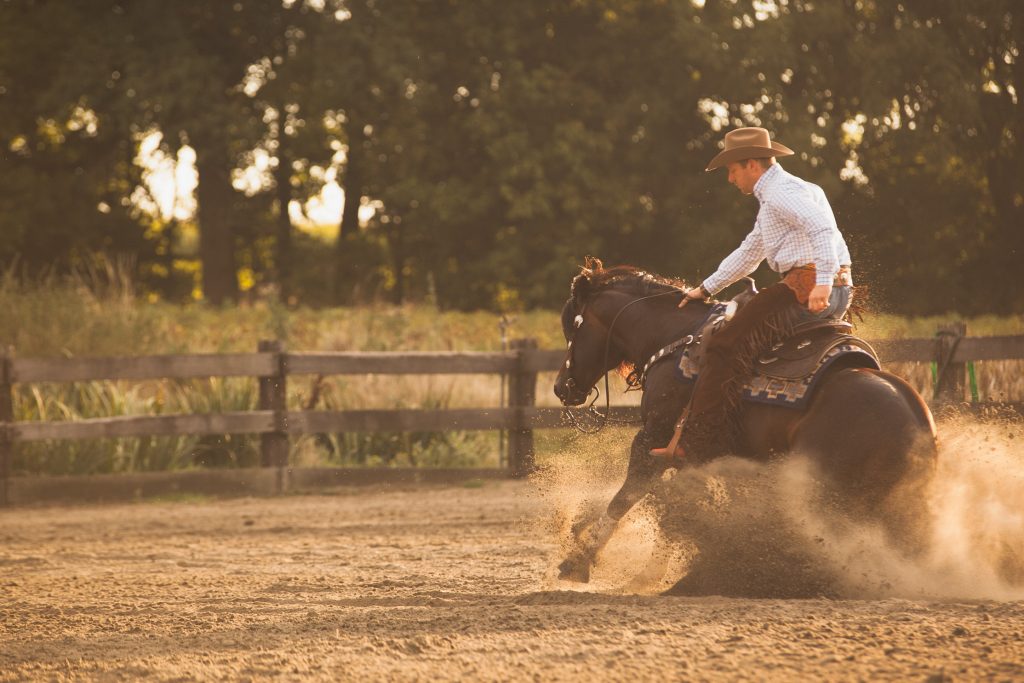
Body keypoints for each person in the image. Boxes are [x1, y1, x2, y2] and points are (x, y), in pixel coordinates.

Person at [651, 126, 853, 460]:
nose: (730, 179)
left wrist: (822, 282)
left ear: (752, 166)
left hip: (810, 288)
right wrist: (705, 289)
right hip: (829, 286)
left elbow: (821, 228)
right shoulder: (784, 195)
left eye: (732, 170)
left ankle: (697, 442)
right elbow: (749, 253)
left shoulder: (780, 194)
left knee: (723, 343)